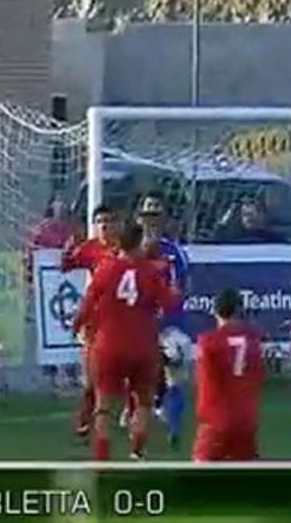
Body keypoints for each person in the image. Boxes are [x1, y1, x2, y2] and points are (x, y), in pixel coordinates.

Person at [73, 221, 179, 461]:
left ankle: (102, 458)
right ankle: (137, 453)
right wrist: (174, 289)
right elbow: (170, 302)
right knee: (143, 403)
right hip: (143, 346)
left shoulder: (106, 268)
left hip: (109, 345)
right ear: (139, 242)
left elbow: (89, 301)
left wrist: (77, 323)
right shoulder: (151, 271)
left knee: (104, 405)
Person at [131, 192, 190, 448]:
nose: (152, 219)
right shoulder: (130, 252)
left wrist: (168, 306)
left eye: (157, 212)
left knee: (175, 372)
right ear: (139, 217)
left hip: (168, 325)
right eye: (148, 212)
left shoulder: (173, 252)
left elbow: (182, 285)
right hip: (137, 325)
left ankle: (174, 429)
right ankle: (140, 408)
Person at [61, 203, 119, 438]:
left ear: (117, 225)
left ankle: (134, 413)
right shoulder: (89, 249)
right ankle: (85, 421)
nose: (104, 226)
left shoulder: (123, 248)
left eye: (108, 221)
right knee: (92, 375)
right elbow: (66, 266)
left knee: (127, 370)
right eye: (99, 222)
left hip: (121, 318)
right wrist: (69, 249)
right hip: (96, 320)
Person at [192, 288, 265, 462]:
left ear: (216, 311)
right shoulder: (253, 339)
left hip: (216, 420)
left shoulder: (208, 342)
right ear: (239, 310)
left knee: (197, 476)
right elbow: (259, 376)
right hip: (245, 420)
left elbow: (203, 379)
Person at [24, 194, 83, 391]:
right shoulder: (41, 230)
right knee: (48, 328)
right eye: (57, 200)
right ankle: (50, 375)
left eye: (63, 200)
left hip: (69, 286)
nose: (61, 204)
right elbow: (30, 256)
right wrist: (31, 279)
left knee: (72, 326)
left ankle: (72, 372)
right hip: (47, 289)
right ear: (51, 205)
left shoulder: (74, 229)